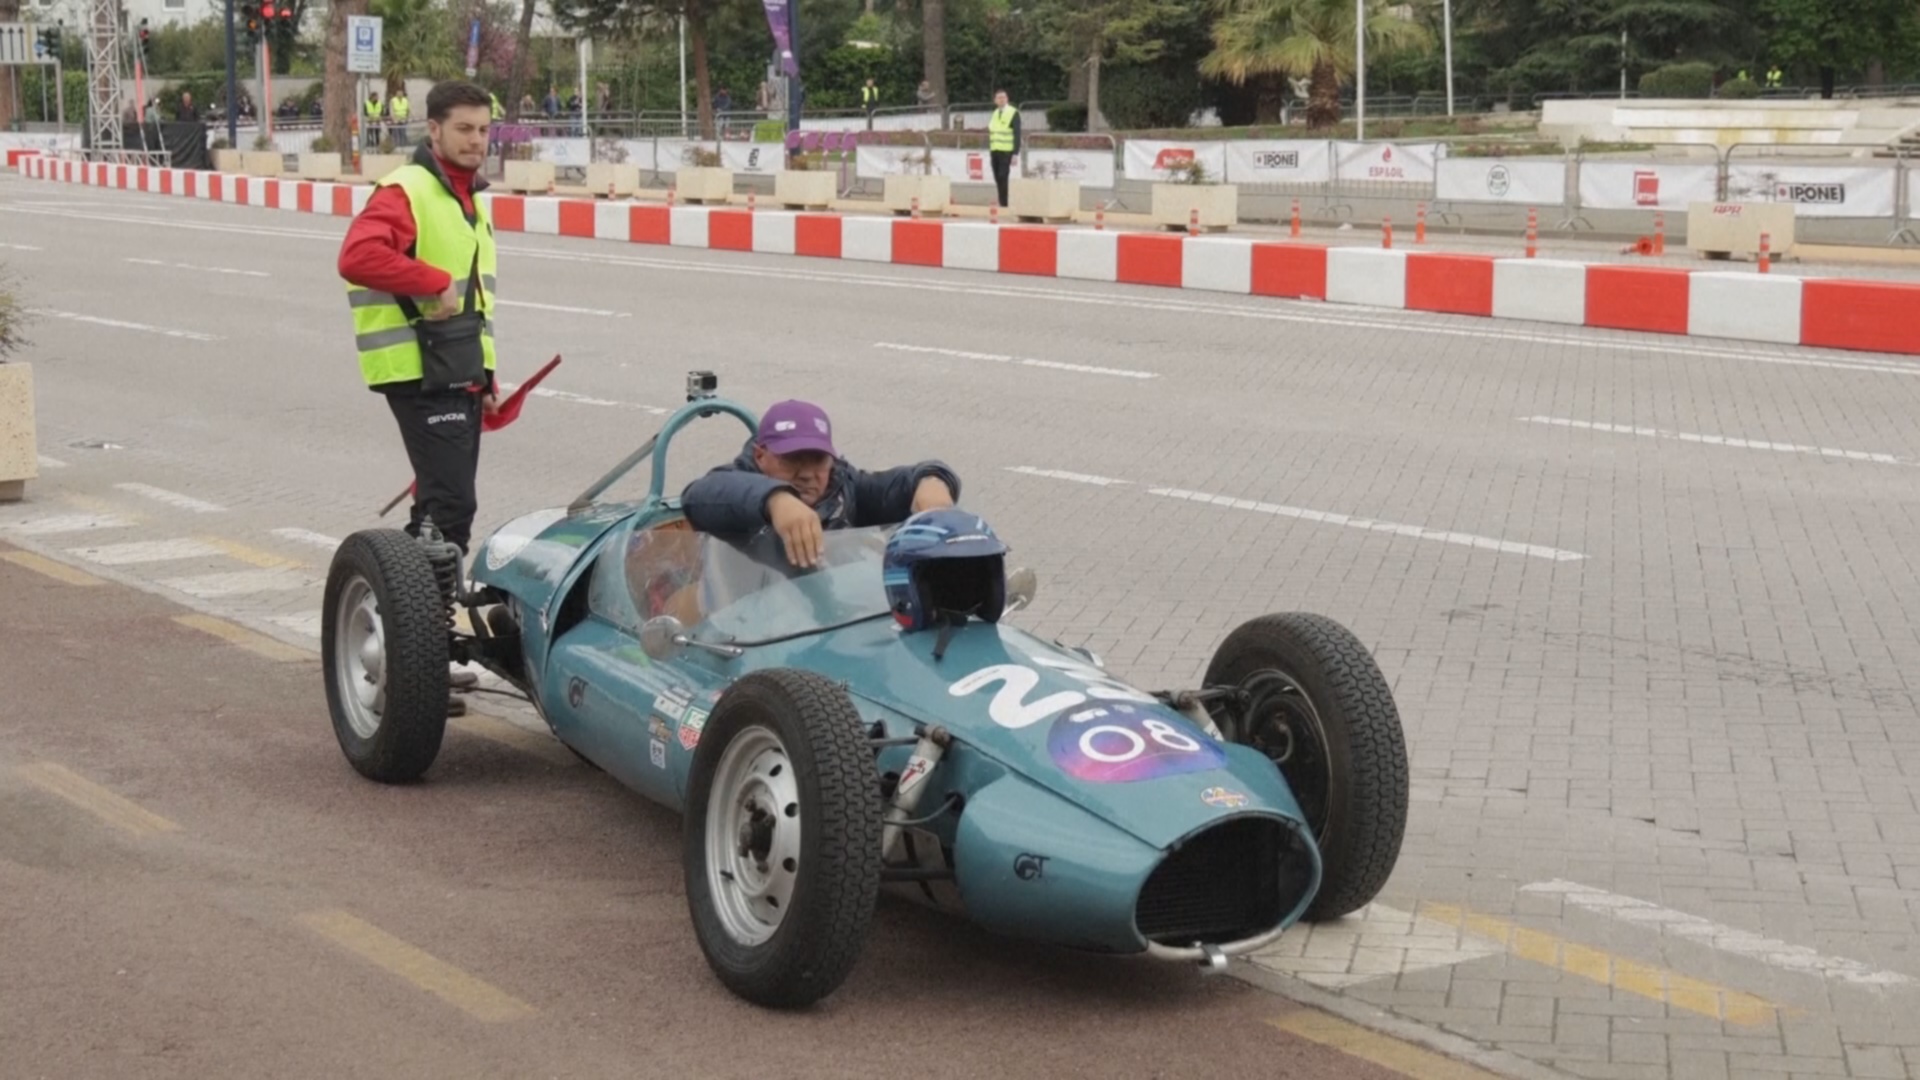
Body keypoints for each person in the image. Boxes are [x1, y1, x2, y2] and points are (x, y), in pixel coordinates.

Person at [337, 80, 501, 563]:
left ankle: (414, 620)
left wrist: (486, 378)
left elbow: (478, 303)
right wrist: (429, 280)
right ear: (434, 129)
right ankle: (422, 626)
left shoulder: (468, 198)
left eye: (484, 130)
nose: (476, 140)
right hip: (418, 369)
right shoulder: (407, 190)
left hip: (456, 369)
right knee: (451, 505)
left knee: (440, 506)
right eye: (464, 129)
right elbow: (357, 256)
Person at [681, 400, 960, 568]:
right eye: (792, 460)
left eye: (817, 461)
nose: (806, 474)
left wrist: (931, 480)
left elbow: (894, 485)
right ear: (760, 455)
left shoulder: (844, 486)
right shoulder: (731, 487)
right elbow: (699, 496)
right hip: (750, 630)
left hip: (834, 621)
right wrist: (776, 500)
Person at [987, 89, 1020, 208]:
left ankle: (1005, 203)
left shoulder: (1013, 113)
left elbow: (1017, 133)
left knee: (1003, 176)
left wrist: (1015, 153)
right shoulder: (995, 113)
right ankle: (1002, 201)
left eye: (1003, 97)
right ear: (995, 100)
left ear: (1007, 99)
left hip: (1006, 151)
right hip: (995, 150)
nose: (1001, 99)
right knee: (997, 177)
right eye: (999, 97)